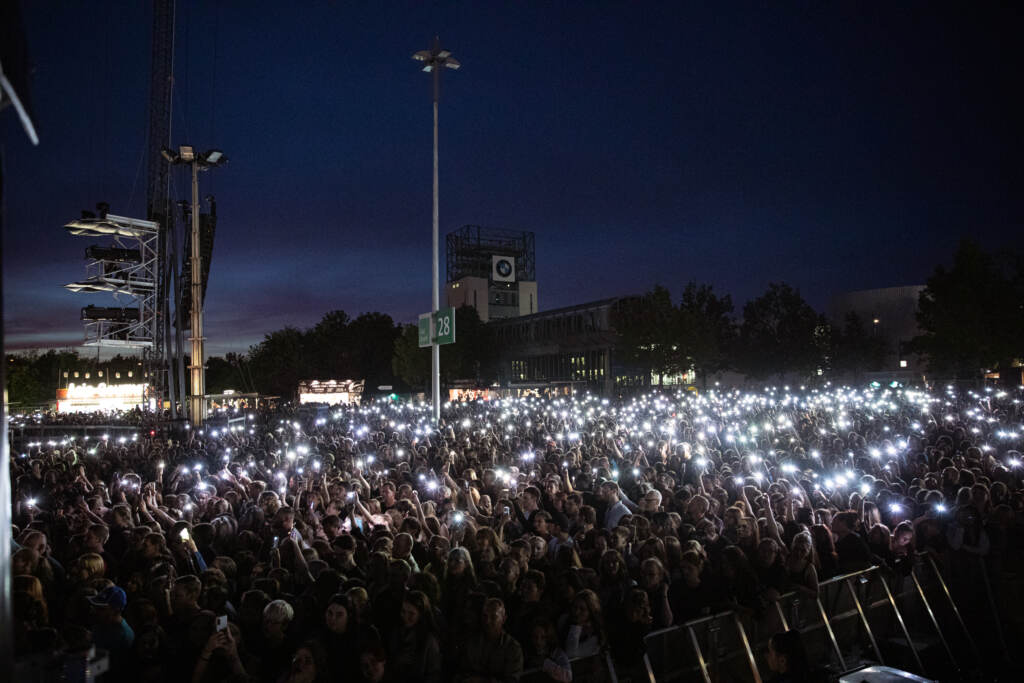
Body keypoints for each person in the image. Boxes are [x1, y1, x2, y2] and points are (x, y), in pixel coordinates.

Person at [455, 597, 524, 683]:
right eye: (485, 616)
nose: (487, 621)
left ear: (503, 619)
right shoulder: (472, 641)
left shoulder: (512, 648)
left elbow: (512, 680)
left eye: (493, 617)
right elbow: (461, 671)